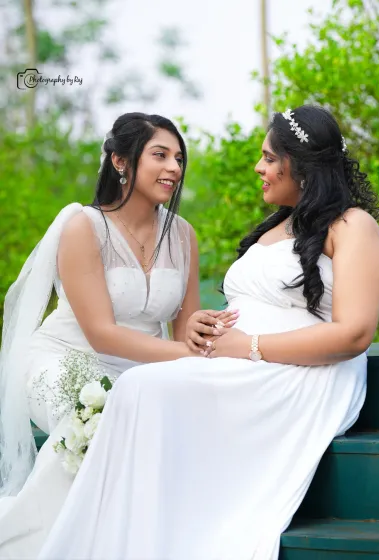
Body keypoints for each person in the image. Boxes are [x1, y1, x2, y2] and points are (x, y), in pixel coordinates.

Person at [38, 105, 379, 560]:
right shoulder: (279, 227)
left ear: (298, 163)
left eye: (267, 157)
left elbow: (354, 334)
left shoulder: (353, 225)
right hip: (241, 363)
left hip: (301, 373)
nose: (258, 168)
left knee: (143, 388)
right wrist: (202, 325)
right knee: (138, 389)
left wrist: (248, 347)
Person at [0, 112, 237, 558]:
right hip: (63, 360)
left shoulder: (183, 234)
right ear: (121, 161)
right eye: (160, 155)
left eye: (179, 159)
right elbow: (103, 334)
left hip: (143, 370)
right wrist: (183, 352)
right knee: (95, 421)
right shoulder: (83, 227)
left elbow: (185, 325)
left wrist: (204, 329)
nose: (174, 168)